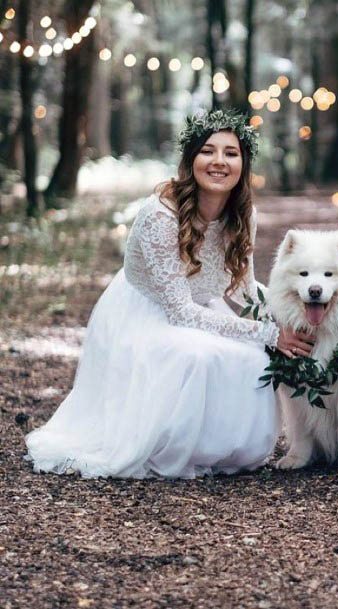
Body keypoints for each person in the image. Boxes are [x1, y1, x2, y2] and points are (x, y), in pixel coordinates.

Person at [25, 108, 313, 479]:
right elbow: (179, 312)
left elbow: (242, 290)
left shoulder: (243, 216)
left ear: (244, 163)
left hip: (201, 307)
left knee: (255, 359)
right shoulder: (160, 214)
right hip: (149, 311)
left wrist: (289, 318)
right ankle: (174, 448)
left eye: (231, 153)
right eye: (208, 151)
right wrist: (271, 333)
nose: (219, 162)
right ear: (190, 159)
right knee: (198, 355)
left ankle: (221, 451)